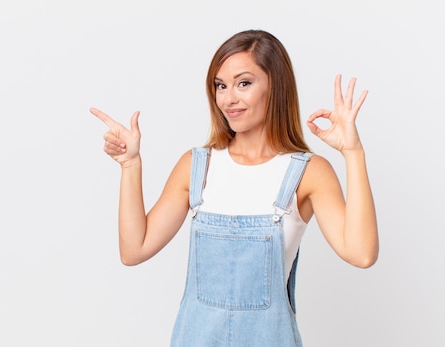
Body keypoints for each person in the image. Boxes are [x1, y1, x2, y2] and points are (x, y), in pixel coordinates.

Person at [90, 29, 378, 347]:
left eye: (244, 83)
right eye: (221, 85)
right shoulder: (197, 166)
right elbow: (134, 249)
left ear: (275, 86)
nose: (229, 98)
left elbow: (361, 253)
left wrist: (353, 152)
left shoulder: (308, 172)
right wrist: (130, 166)